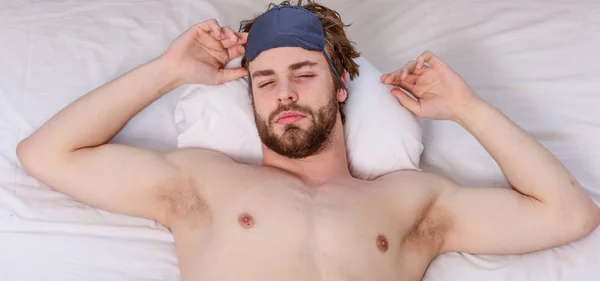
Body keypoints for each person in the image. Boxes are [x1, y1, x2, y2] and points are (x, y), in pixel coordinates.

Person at [16, 1, 599, 281]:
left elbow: (570, 214)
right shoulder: (203, 183)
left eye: (304, 73)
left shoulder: (409, 202)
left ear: (342, 85)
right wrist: (169, 72)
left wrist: (467, 109)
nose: (285, 93)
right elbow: (45, 155)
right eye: (265, 81)